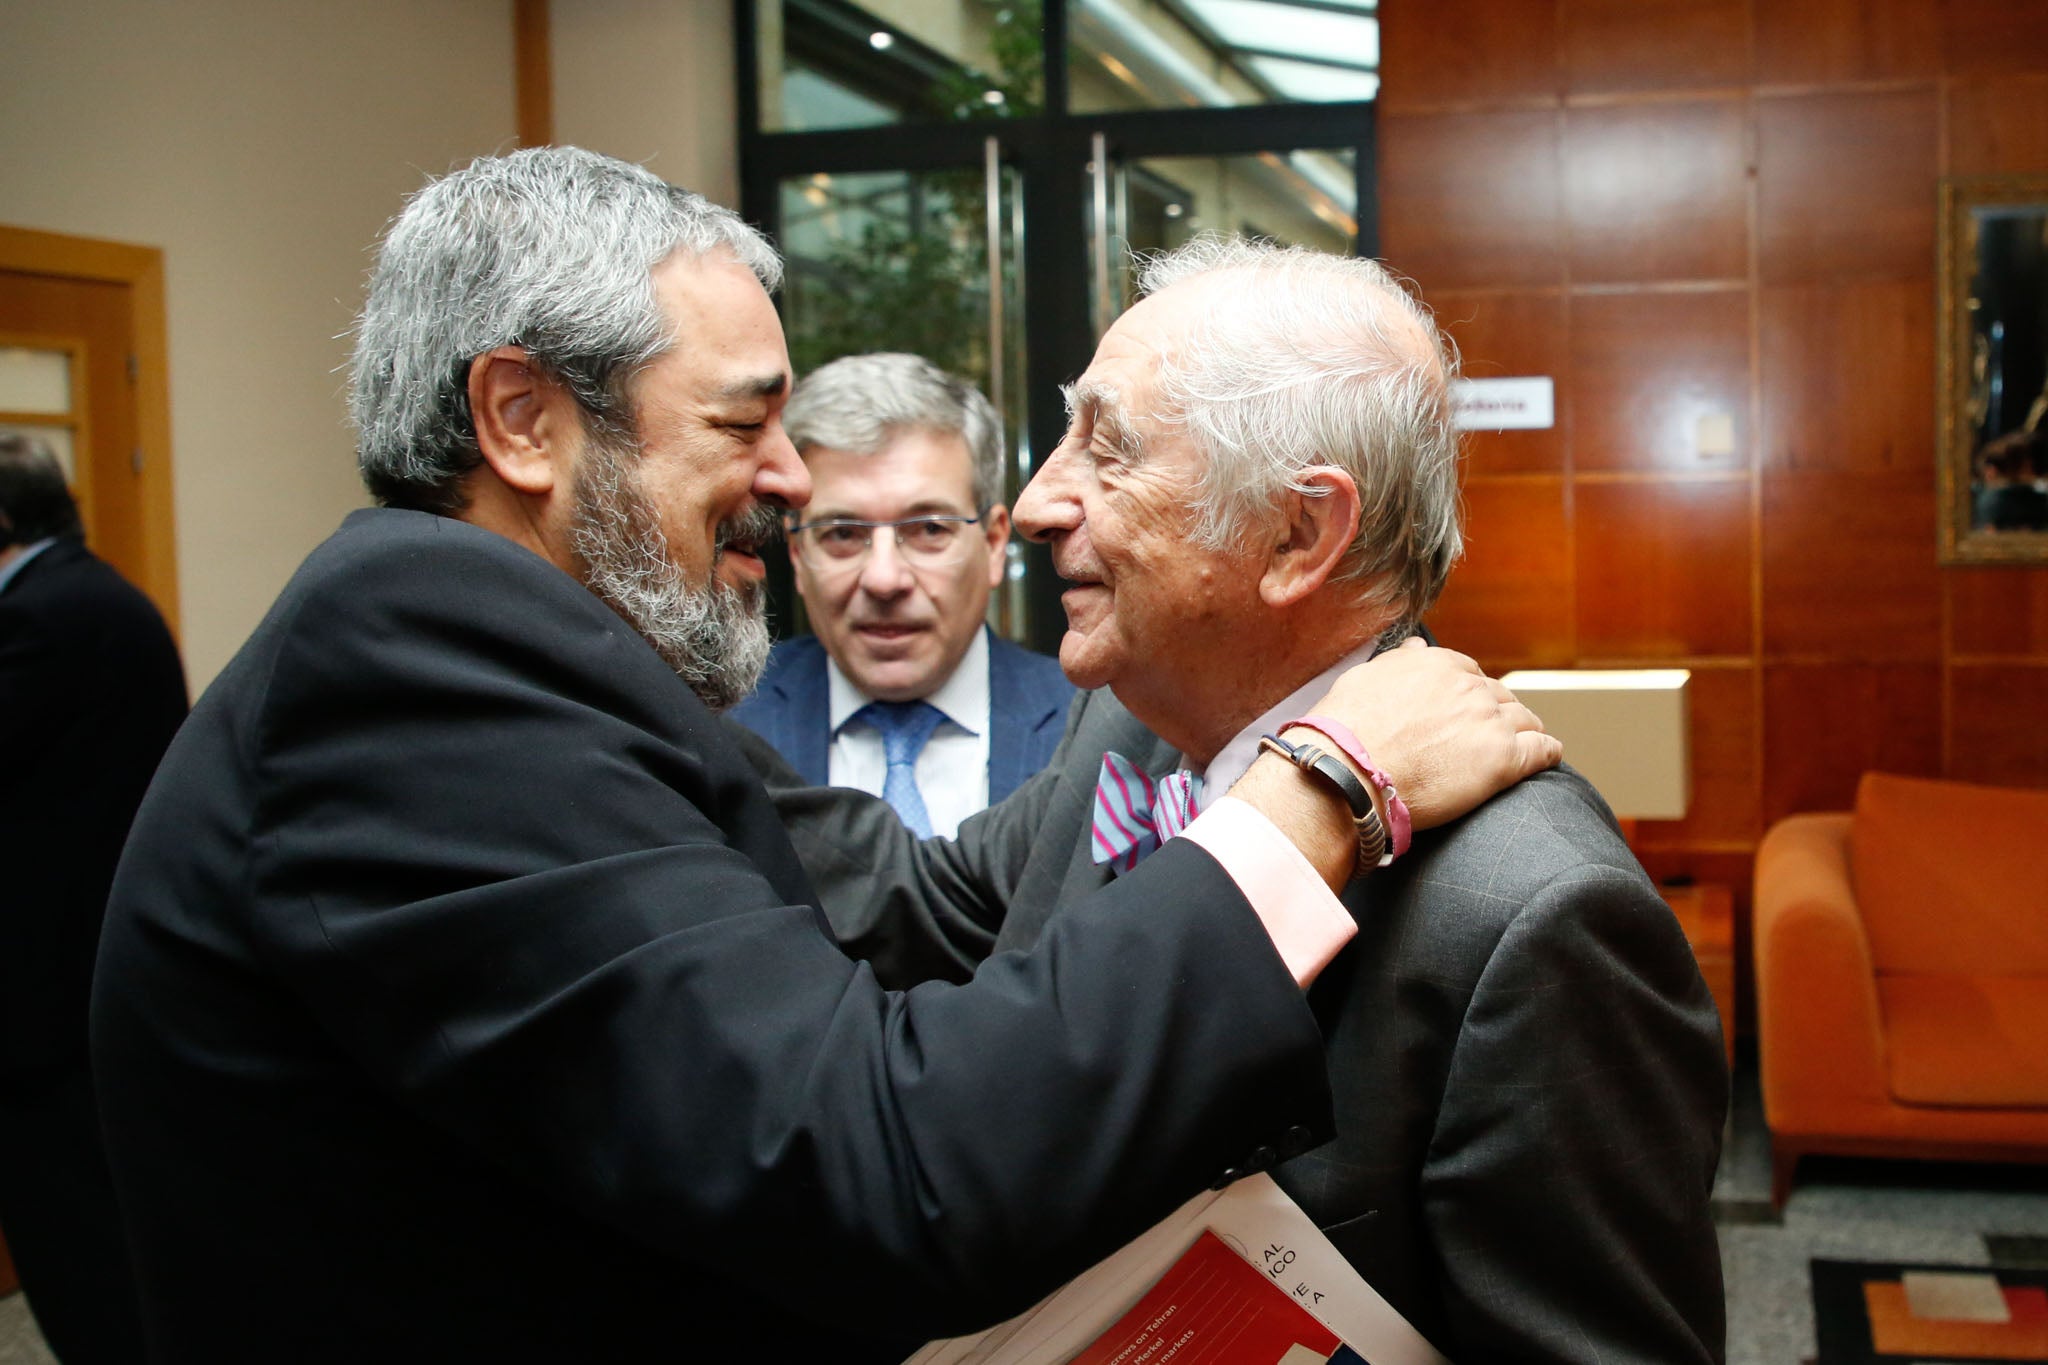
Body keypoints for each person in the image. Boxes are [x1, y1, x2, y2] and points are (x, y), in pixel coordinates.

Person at [90, 147, 1557, 1363]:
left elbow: (909, 899)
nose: (792, 485)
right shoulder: (418, 678)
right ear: (523, 419)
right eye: (748, 424)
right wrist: (1315, 791)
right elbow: (887, 1168)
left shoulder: (503, 657)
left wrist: (1188, 722)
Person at [755, 239, 1729, 1363]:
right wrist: (615, 675)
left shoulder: (1536, 915)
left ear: (1295, 534)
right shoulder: (1125, 730)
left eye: (1103, 449)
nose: (1030, 505)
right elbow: (909, 907)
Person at [0, 434, 183, 1364]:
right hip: (113, 939)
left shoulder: (38, 616)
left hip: (42, 971)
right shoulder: (107, 595)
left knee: (64, 1221)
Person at [730, 353, 1072, 835]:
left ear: (994, 544)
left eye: (929, 528)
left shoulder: (1094, 729)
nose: (884, 580)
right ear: (797, 555)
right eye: (842, 533)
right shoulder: (721, 726)